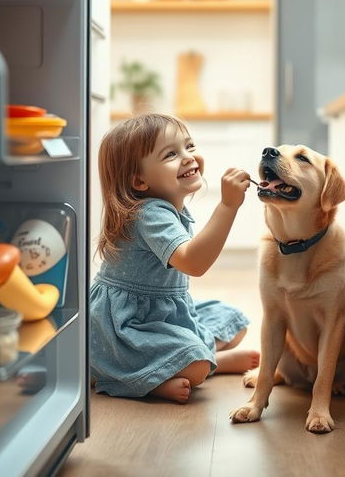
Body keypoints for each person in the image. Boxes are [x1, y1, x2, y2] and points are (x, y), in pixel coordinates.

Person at [90, 113, 259, 404]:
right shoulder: (149, 213)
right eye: (171, 154)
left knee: (234, 320)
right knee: (197, 367)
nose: (188, 157)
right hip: (127, 325)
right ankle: (150, 380)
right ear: (139, 181)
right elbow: (193, 263)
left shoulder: (168, 208)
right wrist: (228, 206)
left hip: (163, 314)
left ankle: (200, 357)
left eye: (189, 146)